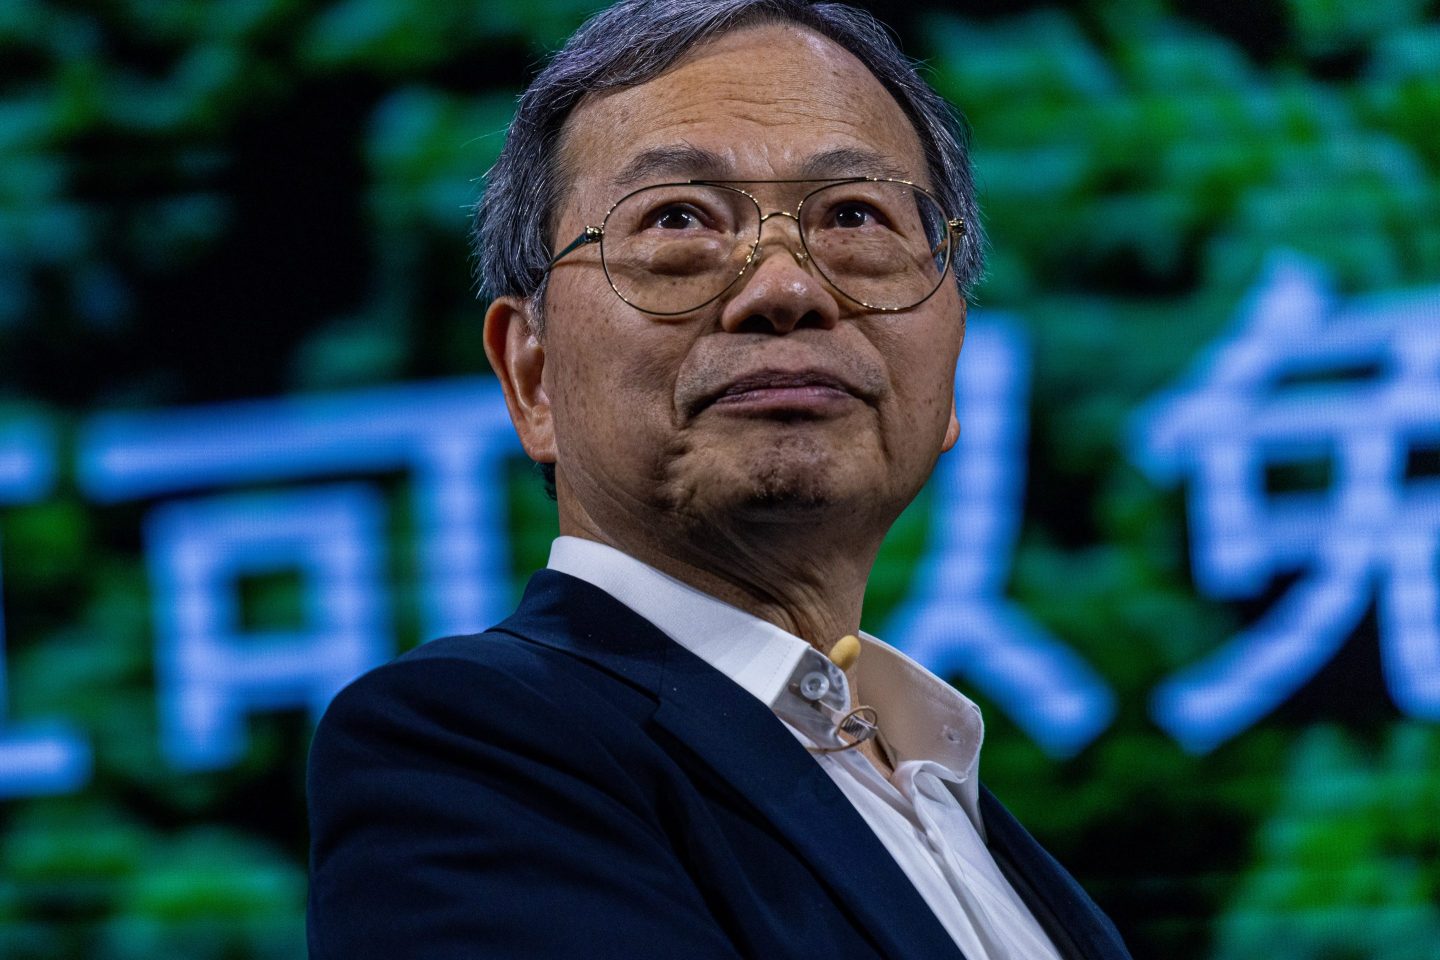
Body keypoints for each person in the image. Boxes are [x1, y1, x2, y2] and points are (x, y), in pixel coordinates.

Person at [306, 1, 1133, 958]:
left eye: (856, 215)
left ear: (951, 375)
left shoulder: (968, 808)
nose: (786, 288)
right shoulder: (463, 749)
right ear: (532, 377)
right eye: (678, 220)